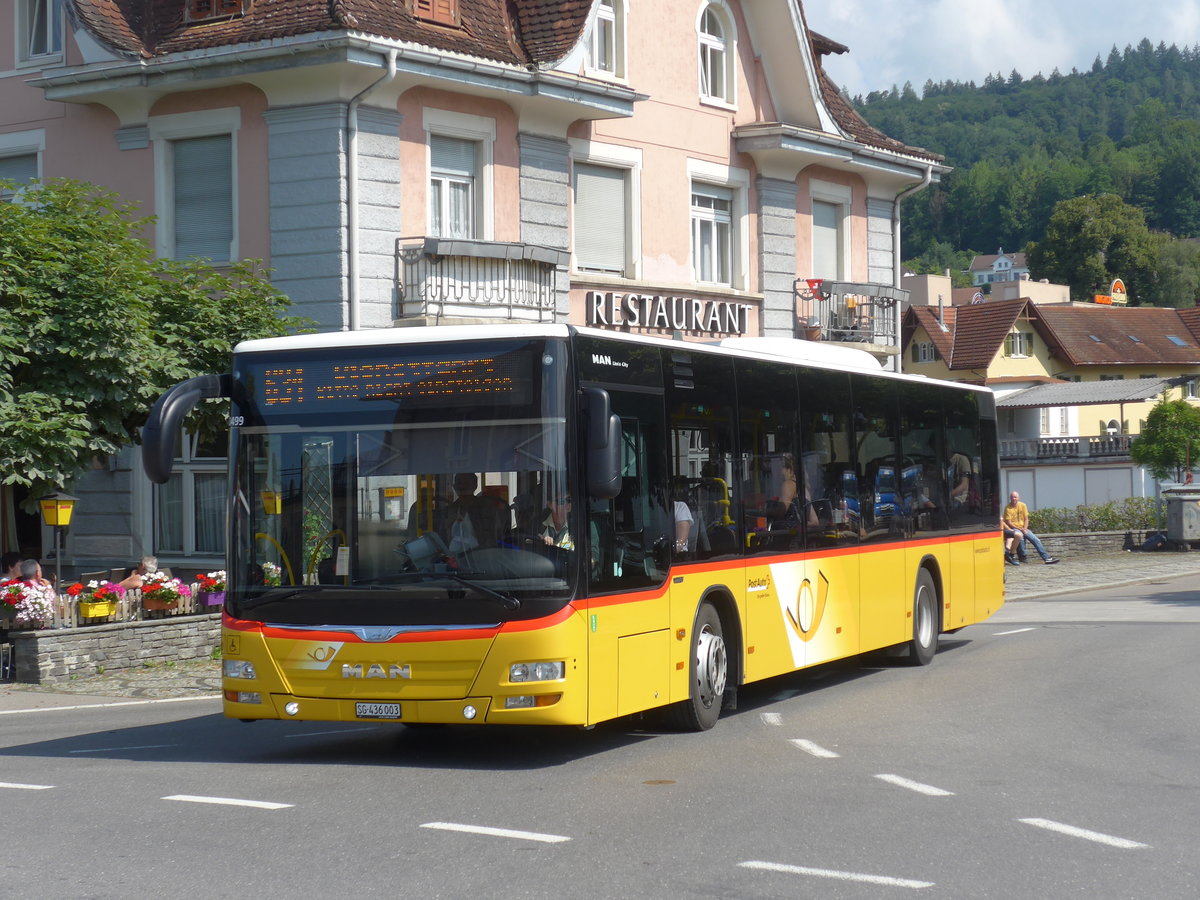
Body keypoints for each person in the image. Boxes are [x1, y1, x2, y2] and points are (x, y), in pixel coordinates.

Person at [1002, 491, 1059, 565]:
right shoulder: (1008, 508)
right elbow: (1009, 522)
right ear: (1010, 498)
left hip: (1023, 528)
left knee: (1036, 540)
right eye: (1012, 497)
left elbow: (1026, 519)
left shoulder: (1023, 505)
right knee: (1021, 537)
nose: (1014, 498)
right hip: (1014, 528)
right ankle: (1022, 557)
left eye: (1015, 497)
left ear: (1018, 498)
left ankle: (1047, 558)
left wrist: (1025, 528)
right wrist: (1021, 529)